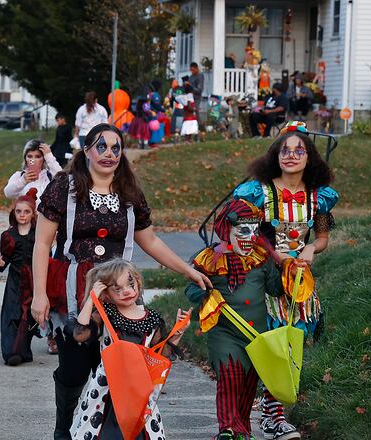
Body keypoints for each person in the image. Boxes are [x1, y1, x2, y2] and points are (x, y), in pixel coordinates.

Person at [31, 123, 212, 440]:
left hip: (122, 294)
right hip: (76, 290)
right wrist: (39, 294)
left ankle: (113, 431)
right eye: (101, 146)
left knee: (121, 372)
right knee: (74, 369)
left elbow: (151, 242)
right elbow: (42, 243)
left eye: (116, 148)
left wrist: (187, 270)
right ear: (86, 151)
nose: (109, 154)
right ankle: (64, 429)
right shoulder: (64, 187)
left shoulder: (129, 193)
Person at [232, 122, 339, 440]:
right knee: (264, 347)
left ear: (310, 157)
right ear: (275, 155)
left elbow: (321, 238)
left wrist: (310, 248)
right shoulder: (257, 193)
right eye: (285, 150)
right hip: (265, 281)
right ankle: (240, 417)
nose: (291, 155)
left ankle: (272, 415)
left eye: (299, 150)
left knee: (290, 346)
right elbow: (244, 239)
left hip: (298, 284)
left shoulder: (319, 198)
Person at [186, 198, 288, 440]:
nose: (250, 236)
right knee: (230, 376)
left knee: (249, 383)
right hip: (224, 332)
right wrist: (203, 294)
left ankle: (242, 428)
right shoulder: (209, 258)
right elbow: (191, 288)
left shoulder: (261, 257)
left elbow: (274, 289)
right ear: (226, 229)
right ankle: (228, 429)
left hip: (256, 334)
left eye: (255, 230)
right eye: (243, 230)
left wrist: (287, 273)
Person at [70, 259, 191, 439]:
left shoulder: (152, 319)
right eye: (116, 289)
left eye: (130, 284)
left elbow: (161, 355)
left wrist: (177, 333)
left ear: (138, 282)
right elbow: (80, 334)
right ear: (106, 294)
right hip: (108, 389)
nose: (126, 291)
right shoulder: (105, 314)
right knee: (104, 432)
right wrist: (92, 298)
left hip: (138, 389)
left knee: (138, 432)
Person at [0, 189, 39, 366]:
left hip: (34, 280)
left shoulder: (38, 234)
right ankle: (11, 351)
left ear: (33, 214)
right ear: (14, 213)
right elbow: (5, 258)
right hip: (15, 281)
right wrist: (2, 262)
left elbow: (45, 256)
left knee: (28, 315)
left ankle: (24, 350)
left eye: (27, 212)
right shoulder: (8, 235)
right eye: (19, 211)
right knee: (12, 313)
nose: (22, 215)